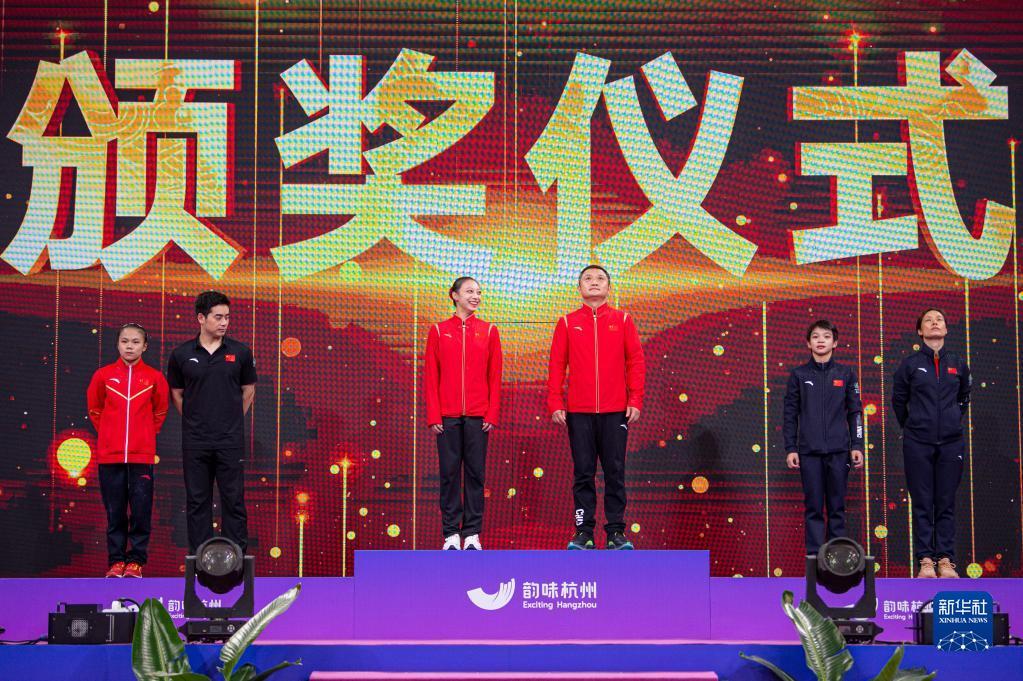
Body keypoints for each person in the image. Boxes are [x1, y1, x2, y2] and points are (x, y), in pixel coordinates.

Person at [547, 265, 645, 550]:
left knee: (615, 471)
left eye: (600, 279)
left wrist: (635, 399)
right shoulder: (567, 322)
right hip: (579, 411)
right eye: (587, 279)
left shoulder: (623, 320)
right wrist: (555, 401)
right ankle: (583, 532)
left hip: (616, 411)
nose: (594, 282)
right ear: (579, 288)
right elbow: (556, 365)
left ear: (609, 288)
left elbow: (635, 361)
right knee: (583, 472)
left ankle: (616, 532)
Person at [167, 291, 257, 554]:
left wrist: (230, 420)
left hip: (230, 441)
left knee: (233, 501)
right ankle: (201, 560)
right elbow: (177, 394)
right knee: (197, 502)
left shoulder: (240, 352)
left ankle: (235, 559)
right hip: (195, 442)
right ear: (201, 318)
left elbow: (248, 390)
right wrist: (196, 420)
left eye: (227, 317)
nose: (224, 322)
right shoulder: (181, 354)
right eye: (218, 317)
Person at [424, 277, 502, 550]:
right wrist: (434, 415)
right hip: (447, 416)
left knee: (475, 474)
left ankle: (471, 533)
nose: (475, 296)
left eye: (478, 292)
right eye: (469, 291)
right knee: (449, 474)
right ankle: (450, 534)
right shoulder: (438, 330)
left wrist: (491, 413)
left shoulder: (489, 331)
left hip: (478, 417)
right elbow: (431, 376)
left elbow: (495, 376)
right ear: (454, 295)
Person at [893, 308, 971, 578]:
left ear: (946, 329)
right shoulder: (910, 365)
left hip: (951, 443)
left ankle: (946, 560)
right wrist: (915, 425)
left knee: (946, 501)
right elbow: (899, 400)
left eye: (939, 320)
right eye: (928, 320)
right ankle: (926, 560)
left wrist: (950, 421)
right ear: (920, 331)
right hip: (918, 442)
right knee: (923, 501)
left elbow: (964, 397)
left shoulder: (958, 363)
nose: (934, 323)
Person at [87, 323, 169, 578]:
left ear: (144, 346)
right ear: (117, 344)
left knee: (141, 510)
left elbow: (160, 411)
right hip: (109, 456)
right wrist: (109, 434)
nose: (129, 346)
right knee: (115, 511)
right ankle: (116, 561)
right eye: (125, 341)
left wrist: (144, 435)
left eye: (135, 342)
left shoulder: (155, 377)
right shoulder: (103, 375)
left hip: (141, 456)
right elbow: (95, 409)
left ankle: (136, 561)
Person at [783, 320, 864, 558]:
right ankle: (815, 560)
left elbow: (855, 412)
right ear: (808, 343)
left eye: (826, 336)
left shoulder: (846, 374)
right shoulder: (798, 375)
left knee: (837, 508)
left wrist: (857, 445)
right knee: (814, 507)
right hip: (809, 453)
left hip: (839, 452)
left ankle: (837, 560)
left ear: (835, 343)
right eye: (816, 336)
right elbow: (790, 414)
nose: (821, 340)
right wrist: (791, 447)